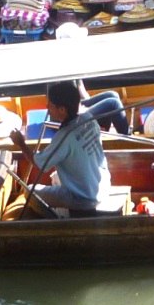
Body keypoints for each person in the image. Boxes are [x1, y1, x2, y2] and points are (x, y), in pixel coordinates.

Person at [9, 81, 111, 216]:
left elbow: (40, 164)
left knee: (30, 191)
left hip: (83, 199)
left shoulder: (64, 137)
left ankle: (56, 220)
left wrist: (20, 143)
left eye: (50, 105)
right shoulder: (88, 118)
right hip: (102, 185)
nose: (46, 107)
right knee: (55, 177)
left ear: (62, 109)